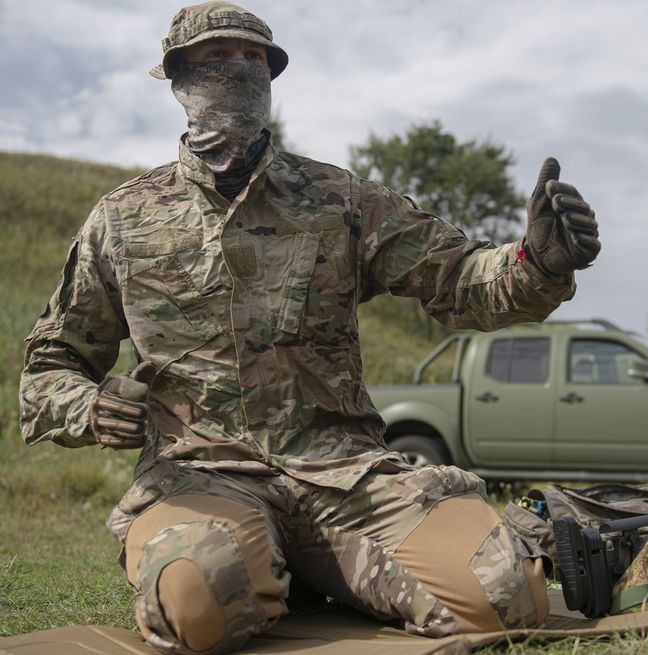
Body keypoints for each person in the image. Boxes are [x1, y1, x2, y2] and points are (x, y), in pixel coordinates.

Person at [18, 2, 600, 654]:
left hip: (348, 479)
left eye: (254, 58)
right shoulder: (122, 219)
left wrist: (537, 263)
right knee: (198, 605)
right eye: (217, 57)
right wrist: (90, 407)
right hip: (201, 478)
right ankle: (253, 559)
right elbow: (49, 368)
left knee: (508, 591)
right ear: (180, 81)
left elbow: (460, 277)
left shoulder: (339, 201)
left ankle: (307, 563)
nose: (239, 68)